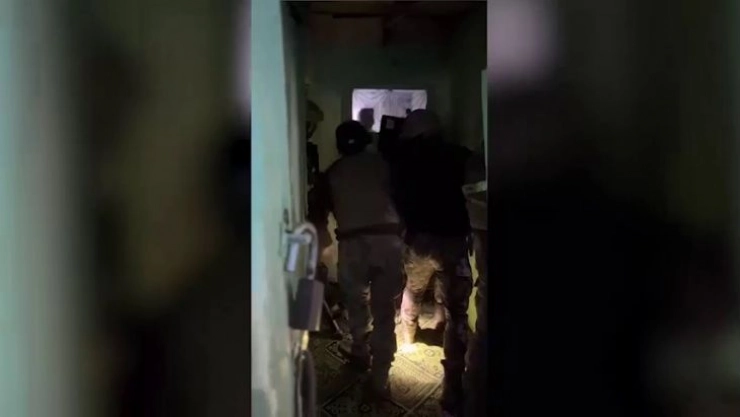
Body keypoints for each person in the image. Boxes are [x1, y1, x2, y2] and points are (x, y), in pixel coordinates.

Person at [308, 120, 405, 398]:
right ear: (365, 140)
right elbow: (403, 199)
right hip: (388, 242)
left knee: (356, 303)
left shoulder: (333, 173)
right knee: (384, 311)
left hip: (352, 245)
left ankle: (360, 351)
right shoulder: (385, 165)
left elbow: (316, 212)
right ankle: (380, 379)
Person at [387, 109, 474, 416]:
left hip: (419, 241)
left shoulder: (403, 161)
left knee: (412, 290)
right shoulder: (461, 156)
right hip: (454, 241)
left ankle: (406, 341)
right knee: (456, 311)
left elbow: (395, 200)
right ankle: (452, 384)